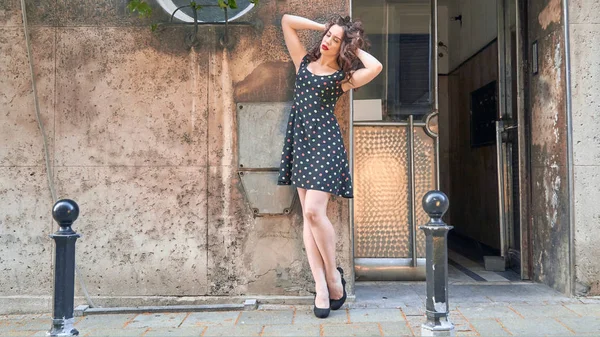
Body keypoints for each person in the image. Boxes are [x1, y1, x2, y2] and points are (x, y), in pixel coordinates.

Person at [277, 13, 383, 318]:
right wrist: (323, 27)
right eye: (328, 37)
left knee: (314, 211)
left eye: (335, 40)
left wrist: (352, 45)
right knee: (308, 219)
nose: (327, 42)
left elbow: (375, 67)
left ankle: (335, 276)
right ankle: (322, 287)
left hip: (326, 144)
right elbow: (286, 21)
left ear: (342, 47)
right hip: (301, 142)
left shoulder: (342, 78)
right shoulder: (302, 63)